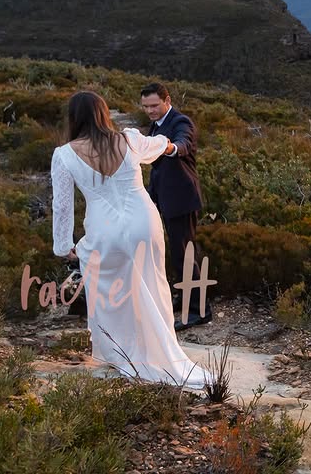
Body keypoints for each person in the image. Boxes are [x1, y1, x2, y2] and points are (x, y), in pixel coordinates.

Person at [50, 91, 209, 387]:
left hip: (104, 228)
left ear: (73, 118)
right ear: (103, 113)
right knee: (153, 284)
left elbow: (61, 206)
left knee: (111, 293)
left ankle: (123, 354)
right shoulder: (128, 139)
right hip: (143, 221)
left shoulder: (64, 155)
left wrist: (63, 246)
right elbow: (160, 145)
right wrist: (169, 143)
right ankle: (161, 352)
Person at [139, 82, 211, 330]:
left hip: (181, 198)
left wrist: (168, 147)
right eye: (146, 106)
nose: (150, 111)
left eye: (154, 105)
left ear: (167, 100)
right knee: (176, 252)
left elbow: (183, 144)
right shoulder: (156, 124)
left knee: (186, 254)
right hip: (163, 197)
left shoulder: (181, 122)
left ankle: (199, 311)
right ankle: (186, 297)